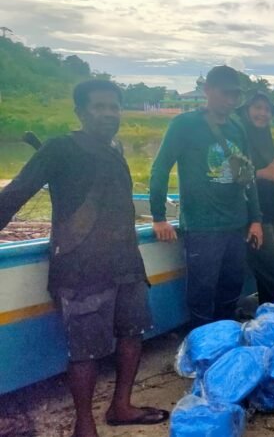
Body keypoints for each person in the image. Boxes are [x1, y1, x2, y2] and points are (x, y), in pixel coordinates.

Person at [0, 80, 169, 436]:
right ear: (80, 112)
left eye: (114, 107)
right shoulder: (60, 148)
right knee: (85, 351)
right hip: (79, 267)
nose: (109, 114)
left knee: (133, 334)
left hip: (126, 263)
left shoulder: (115, 151)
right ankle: (84, 425)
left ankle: (121, 406)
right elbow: (15, 194)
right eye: (99, 106)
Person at [150, 65, 263, 327]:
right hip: (202, 227)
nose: (232, 100)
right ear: (207, 91)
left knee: (230, 291)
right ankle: (201, 349)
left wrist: (255, 219)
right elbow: (161, 168)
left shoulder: (237, 128)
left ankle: (224, 345)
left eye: (236, 95)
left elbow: (249, 177)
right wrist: (158, 216)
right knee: (201, 294)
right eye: (226, 93)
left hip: (236, 226)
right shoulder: (185, 125)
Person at [237, 90, 274, 304]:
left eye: (267, 109)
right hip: (253, 215)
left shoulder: (265, 137)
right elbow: (231, 176)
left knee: (268, 275)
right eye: (258, 108)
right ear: (246, 111)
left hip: (271, 210)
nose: (263, 113)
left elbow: (270, 170)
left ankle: (270, 320)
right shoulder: (240, 137)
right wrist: (263, 173)